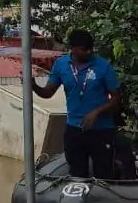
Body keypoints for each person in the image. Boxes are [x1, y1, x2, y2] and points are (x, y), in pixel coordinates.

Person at [32, 29, 122, 179]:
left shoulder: (103, 66)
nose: (89, 52)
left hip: (102, 130)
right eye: (84, 49)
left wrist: (96, 113)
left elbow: (117, 98)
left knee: (104, 176)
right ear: (73, 48)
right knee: (77, 176)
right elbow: (48, 93)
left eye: (90, 48)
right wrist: (33, 86)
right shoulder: (61, 65)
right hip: (74, 129)